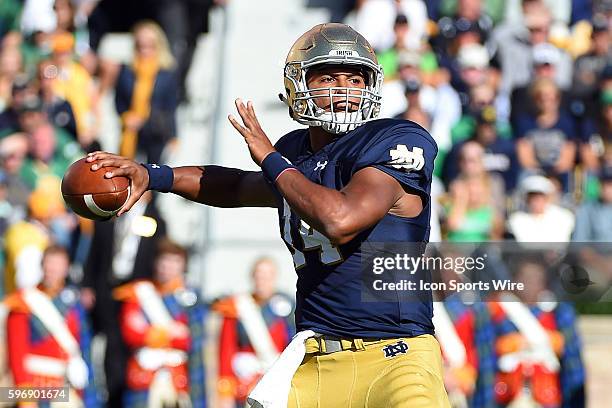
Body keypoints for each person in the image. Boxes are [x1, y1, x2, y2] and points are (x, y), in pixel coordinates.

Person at [87, 23, 450, 407]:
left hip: (395, 359)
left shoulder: (396, 139)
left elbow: (341, 221)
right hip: (317, 360)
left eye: (355, 79)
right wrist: (154, 175)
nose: (344, 90)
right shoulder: (295, 154)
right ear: (299, 84)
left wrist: (272, 160)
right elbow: (237, 186)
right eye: (329, 78)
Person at [114, 239, 207, 407]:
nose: (168, 267)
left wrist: (153, 333)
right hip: (144, 376)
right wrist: (172, 333)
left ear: (183, 265)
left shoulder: (192, 300)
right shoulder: (138, 293)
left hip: (178, 378)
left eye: (174, 261)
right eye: (164, 260)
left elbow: (193, 340)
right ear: (156, 263)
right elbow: (131, 333)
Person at [4, 245, 98, 407]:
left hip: (64, 385)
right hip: (33, 386)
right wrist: (26, 397)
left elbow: (84, 347)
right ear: (42, 266)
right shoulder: (23, 302)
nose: (52, 269)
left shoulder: (74, 304)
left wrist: (86, 390)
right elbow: (16, 353)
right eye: (49, 263)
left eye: (58, 265)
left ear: (66, 269)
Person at [488, 258, 585, 407]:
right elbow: (486, 353)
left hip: (546, 391)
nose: (530, 284)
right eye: (525, 278)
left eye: (536, 279)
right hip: (508, 391)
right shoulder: (498, 311)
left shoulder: (558, 313)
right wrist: (510, 345)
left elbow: (572, 359)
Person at [214, 257, 294, 407]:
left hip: (275, 380)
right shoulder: (236, 306)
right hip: (243, 381)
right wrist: (225, 391)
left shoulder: (287, 308)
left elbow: (292, 344)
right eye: (259, 275)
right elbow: (226, 349)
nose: (262, 280)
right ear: (252, 277)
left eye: (267, 276)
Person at [114, 20, 179, 163]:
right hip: (131, 133)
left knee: (153, 174)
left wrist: (174, 136)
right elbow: (119, 101)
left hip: (156, 133)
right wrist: (126, 117)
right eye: (140, 46)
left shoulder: (166, 74)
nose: (144, 50)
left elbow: (170, 107)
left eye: (149, 46)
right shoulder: (126, 71)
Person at [507, 174, 575, 242]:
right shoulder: (517, 219)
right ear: (527, 200)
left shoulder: (564, 217)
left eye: (541, 197)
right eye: (533, 197)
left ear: (547, 198)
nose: (537, 201)